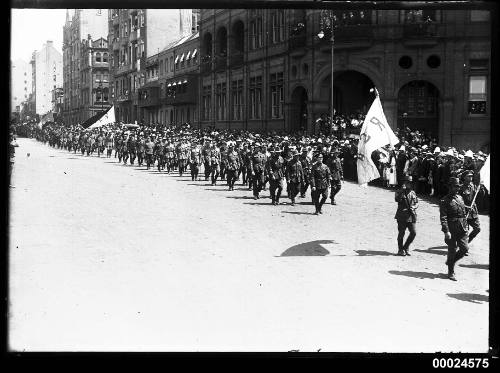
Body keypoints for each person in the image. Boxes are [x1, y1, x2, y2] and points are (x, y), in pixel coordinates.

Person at [440, 177, 470, 281]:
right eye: (455, 187)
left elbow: (463, 212)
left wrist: (466, 224)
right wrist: (446, 231)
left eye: (458, 187)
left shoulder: (460, 198)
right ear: (450, 187)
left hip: (462, 227)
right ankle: (450, 271)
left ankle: (450, 262)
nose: (457, 189)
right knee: (452, 250)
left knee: (464, 248)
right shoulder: (444, 200)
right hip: (451, 228)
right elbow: (443, 218)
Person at [394, 175, 418, 256]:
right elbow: (397, 199)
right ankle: (400, 250)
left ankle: (406, 247)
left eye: (411, 183)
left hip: (411, 216)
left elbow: (417, 203)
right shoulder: (399, 191)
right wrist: (401, 191)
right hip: (401, 215)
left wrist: (414, 207)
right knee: (401, 233)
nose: (409, 184)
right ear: (404, 182)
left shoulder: (413, 192)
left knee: (413, 233)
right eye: (408, 182)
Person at [459, 170, 482, 245]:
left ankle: (466, 242)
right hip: (464, 212)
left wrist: (481, 189)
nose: (471, 177)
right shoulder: (460, 188)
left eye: (471, 176)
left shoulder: (473, 186)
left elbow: (480, 196)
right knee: (464, 231)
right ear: (464, 177)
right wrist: (465, 207)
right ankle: (464, 246)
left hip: (473, 212)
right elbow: (456, 202)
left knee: (477, 229)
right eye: (469, 176)